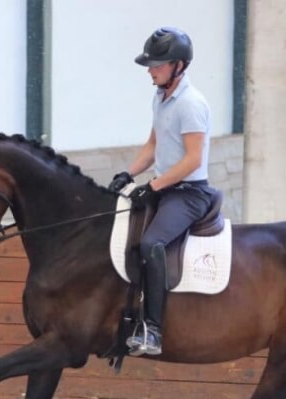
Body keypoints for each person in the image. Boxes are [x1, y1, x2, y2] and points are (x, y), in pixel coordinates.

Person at [108, 27, 215, 356]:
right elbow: (154, 144)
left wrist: (153, 186)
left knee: (152, 242)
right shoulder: (161, 97)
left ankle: (153, 329)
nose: (150, 71)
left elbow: (193, 159)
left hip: (189, 194)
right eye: (150, 65)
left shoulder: (191, 104)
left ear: (179, 66)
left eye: (157, 65)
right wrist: (130, 172)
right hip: (166, 188)